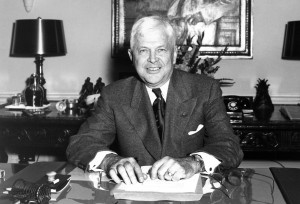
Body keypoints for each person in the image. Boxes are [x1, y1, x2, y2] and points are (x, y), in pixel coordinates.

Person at [67, 15, 243, 185]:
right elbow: (81, 143)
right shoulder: (114, 95)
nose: (152, 59)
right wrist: (110, 161)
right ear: (131, 55)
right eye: (143, 50)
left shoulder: (205, 89)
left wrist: (193, 163)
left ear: (174, 54)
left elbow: (229, 146)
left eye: (161, 50)